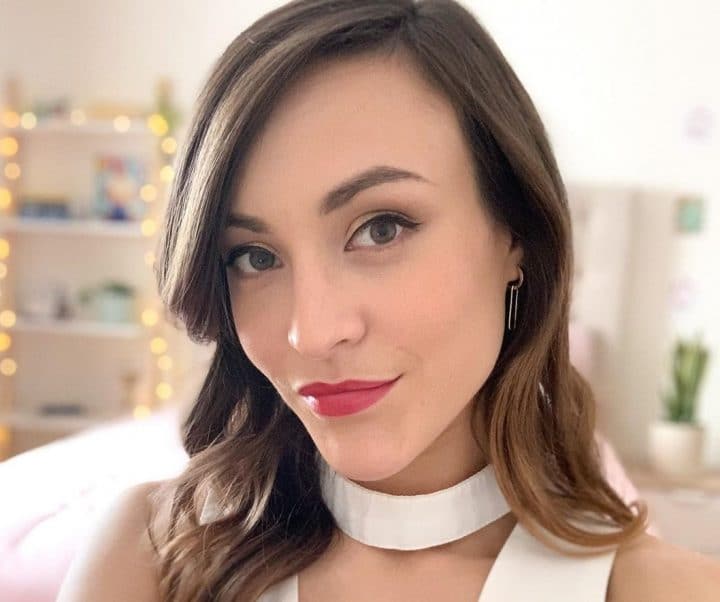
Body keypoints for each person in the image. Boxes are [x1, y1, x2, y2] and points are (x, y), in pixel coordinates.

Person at [57, 1, 720, 600]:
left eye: (381, 229)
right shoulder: (150, 555)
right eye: (255, 257)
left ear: (515, 235)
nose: (313, 333)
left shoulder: (664, 589)